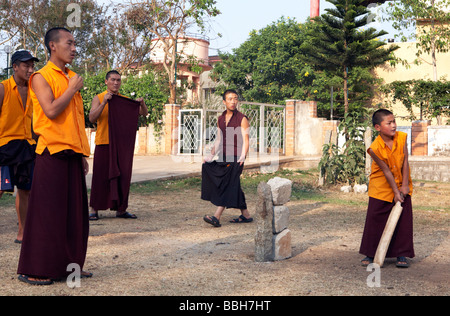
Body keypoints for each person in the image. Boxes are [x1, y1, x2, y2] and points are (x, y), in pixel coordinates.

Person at [17, 27, 92, 285]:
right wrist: (71, 89)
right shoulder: (41, 76)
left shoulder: (70, 76)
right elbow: (50, 111)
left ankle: (70, 266)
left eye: (74, 44)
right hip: (50, 152)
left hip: (71, 153)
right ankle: (37, 268)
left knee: (74, 216)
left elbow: (75, 120)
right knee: (47, 214)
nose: (74, 48)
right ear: (53, 46)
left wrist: (81, 152)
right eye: (69, 43)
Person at [88, 70, 148, 220]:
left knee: (122, 177)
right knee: (100, 177)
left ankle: (121, 209)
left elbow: (143, 113)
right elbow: (91, 118)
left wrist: (142, 104)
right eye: (113, 80)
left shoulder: (123, 100)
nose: (116, 83)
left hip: (121, 146)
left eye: (118, 80)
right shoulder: (99, 98)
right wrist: (104, 103)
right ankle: (94, 209)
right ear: (106, 82)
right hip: (104, 142)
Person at [359, 109, 414, 268]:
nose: (394, 126)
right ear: (378, 127)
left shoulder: (402, 138)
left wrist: (403, 186)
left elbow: (405, 162)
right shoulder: (375, 148)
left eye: (394, 121)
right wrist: (395, 192)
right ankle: (371, 253)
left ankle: (401, 254)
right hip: (381, 186)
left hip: (402, 183)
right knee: (375, 220)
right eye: (389, 123)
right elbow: (386, 171)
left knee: (403, 220)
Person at [0, 50, 38, 244]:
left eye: (32, 66)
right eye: (26, 66)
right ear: (15, 67)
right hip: (6, 145)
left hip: (28, 145)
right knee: (0, 188)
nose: (30, 69)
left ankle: (22, 233)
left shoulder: (35, 90)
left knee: (25, 191)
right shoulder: (3, 88)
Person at [202, 89, 253, 227]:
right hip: (223, 156)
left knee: (228, 184)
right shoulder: (220, 119)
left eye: (235, 98)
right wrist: (210, 155)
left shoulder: (242, 118)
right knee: (234, 185)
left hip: (237, 157)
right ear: (224, 101)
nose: (233, 101)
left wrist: (243, 155)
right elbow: (219, 140)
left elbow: (246, 140)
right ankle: (246, 215)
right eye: (230, 99)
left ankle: (216, 217)